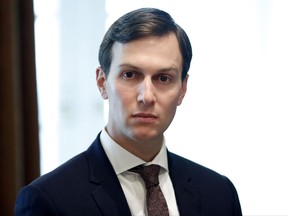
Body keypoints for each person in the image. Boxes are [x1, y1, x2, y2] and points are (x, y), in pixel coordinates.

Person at [15, 7, 242, 216]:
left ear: (182, 89)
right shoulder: (48, 200)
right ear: (102, 82)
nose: (147, 96)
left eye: (164, 78)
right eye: (130, 75)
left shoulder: (219, 194)